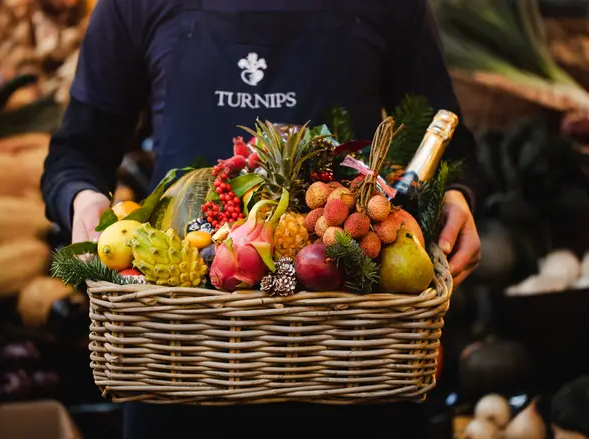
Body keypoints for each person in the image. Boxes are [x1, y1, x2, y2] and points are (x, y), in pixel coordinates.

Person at [41, 0, 483, 437]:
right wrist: (82, 202)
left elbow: (447, 139)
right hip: (181, 365)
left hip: (352, 358)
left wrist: (455, 197)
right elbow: (78, 150)